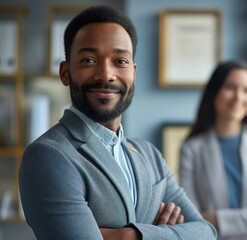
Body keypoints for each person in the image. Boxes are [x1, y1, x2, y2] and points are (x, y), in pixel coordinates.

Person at [19, 5, 217, 240]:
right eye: (89, 60)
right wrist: (167, 233)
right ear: (65, 72)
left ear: (133, 72)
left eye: (120, 61)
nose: (106, 74)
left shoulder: (149, 155)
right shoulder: (48, 155)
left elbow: (206, 232)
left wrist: (128, 236)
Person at [179, 60, 247, 240]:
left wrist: (216, 218)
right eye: (230, 87)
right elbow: (192, 218)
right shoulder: (192, 149)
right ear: (214, 91)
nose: (239, 97)